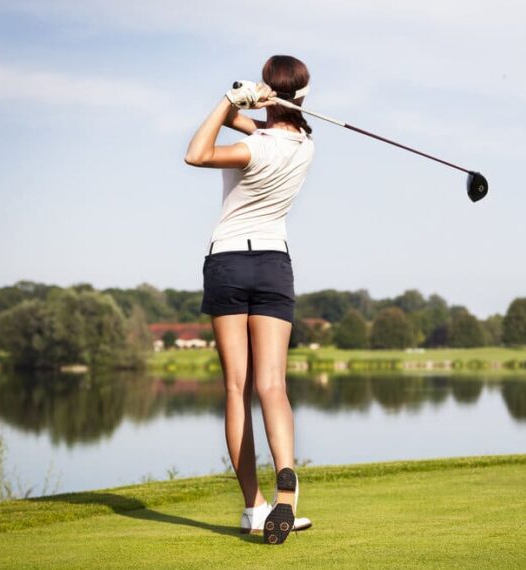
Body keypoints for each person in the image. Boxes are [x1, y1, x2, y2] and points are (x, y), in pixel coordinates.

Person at [184, 54, 315, 545]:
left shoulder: (250, 150)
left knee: (237, 387)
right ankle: (288, 488)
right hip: (273, 265)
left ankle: (253, 508)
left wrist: (227, 99)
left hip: (229, 262)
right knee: (273, 386)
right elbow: (267, 125)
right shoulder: (304, 145)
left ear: (272, 92)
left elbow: (197, 153)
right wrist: (255, 102)